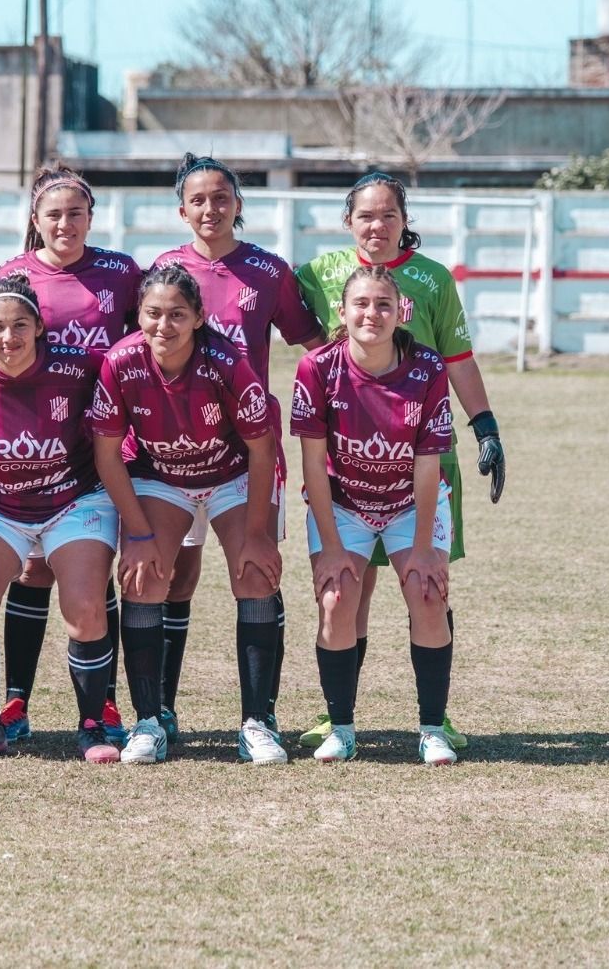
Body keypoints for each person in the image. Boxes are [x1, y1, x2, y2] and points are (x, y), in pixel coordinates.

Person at [294, 172, 505, 752]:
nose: (377, 225)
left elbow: (458, 356)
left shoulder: (434, 278)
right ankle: (338, 717)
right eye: (366, 215)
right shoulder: (315, 275)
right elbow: (267, 315)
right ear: (348, 221)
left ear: (403, 218)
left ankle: (437, 718)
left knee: (429, 582)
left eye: (389, 214)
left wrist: (483, 423)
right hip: (347, 462)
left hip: (422, 456)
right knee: (345, 592)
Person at [149, 153, 325, 743]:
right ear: (181, 209)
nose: (209, 209)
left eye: (220, 198)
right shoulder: (163, 270)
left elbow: (313, 342)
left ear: (238, 206)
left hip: (244, 451)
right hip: (170, 452)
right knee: (172, 578)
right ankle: (161, 712)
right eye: (197, 200)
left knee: (254, 570)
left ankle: (259, 719)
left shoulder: (268, 271)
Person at [91, 264, 283, 764]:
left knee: (255, 574)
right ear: (138, 316)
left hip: (233, 473)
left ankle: (258, 722)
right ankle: (149, 721)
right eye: (153, 314)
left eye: (177, 314)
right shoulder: (121, 361)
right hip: (163, 475)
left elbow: (262, 451)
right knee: (141, 578)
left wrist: (259, 534)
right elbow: (107, 454)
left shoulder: (227, 362)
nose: (163, 326)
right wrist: (137, 534)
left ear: (199, 317)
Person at [0, 275, 121, 763]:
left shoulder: (82, 367)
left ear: (40, 326)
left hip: (74, 500)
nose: (9, 337)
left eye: (20, 324)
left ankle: (93, 724)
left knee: (84, 608)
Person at [0, 164, 142, 747]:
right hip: (29, 444)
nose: (65, 224)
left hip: (101, 444)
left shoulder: (120, 273)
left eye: (75, 213)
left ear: (90, 218)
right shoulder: (12, 276)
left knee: (91, 572)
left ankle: (101, 704)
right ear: (35, 220)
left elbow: (148, 336)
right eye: (53, 214)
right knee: (30, 569)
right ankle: (15, 701)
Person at [290, 264, 458, 764]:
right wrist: (331, 546)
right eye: (361, 304)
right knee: (337, 598)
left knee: (427, 594)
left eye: (383, 304)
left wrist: (425, 548)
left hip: (410, 503)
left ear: (400, 312)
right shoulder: (317, 367)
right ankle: (341, 727)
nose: (372, 314)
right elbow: (313, 466)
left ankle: (432, 729)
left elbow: (429, 466)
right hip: (344, 505)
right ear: (342, 312)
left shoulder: (428, 369)